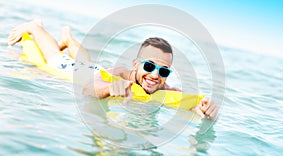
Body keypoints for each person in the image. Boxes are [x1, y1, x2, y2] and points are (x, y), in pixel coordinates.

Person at [8, 20, 218, 120]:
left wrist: (204, 109)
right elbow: (89, 88)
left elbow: (190, 102)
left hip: (92, 66)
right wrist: (110, 88)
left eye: (164, 71)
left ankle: (68, 38)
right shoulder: (118, 74)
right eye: (149, 66)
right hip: (79, 72)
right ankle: (36, 28)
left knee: (85, 58)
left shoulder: (166, 88)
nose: (155, 75)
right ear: (136, 64)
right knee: (54, 56)